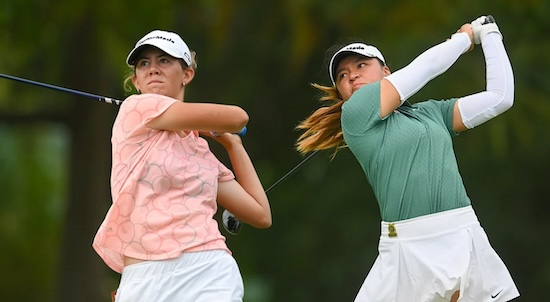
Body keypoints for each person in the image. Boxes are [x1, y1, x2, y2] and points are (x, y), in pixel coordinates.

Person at [296, 16, 519, 301]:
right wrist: (463, 39)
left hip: (463, 232)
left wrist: (489, 34)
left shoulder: (431, 113)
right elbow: (424, 68)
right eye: (342, 75)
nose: (351, 76)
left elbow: (500, 98)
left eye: (361, 66)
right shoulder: (355, 115)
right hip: (408, 248)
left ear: (386, 72)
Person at [92, 29, 272, 302]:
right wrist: (208, 125)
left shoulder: (201, 152)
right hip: (145, 275)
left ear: (187, 74)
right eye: (144, 64)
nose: (153, 69)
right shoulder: (135, 108)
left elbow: (260, 214)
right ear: (136, 81)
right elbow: (237, 117)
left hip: (208, 268)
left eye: (164, 61)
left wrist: (234, 146)